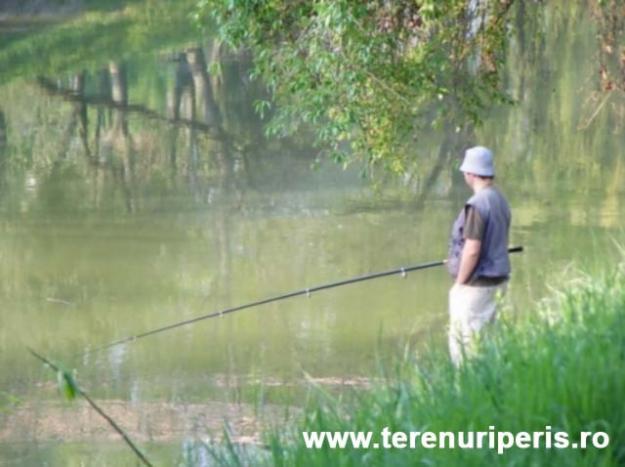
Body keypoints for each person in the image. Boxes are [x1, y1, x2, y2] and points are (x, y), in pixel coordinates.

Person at [446, 146, 511, 366]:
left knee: (465, 346)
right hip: (499, 282)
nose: (464, 175)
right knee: (488, 341)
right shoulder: (500, 200)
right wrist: (456, 259)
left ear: (472, 174)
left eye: (465, 171)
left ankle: (465, 390)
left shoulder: (477, 205)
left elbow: (473, 249)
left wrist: (460, 283)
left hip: (476, 286)